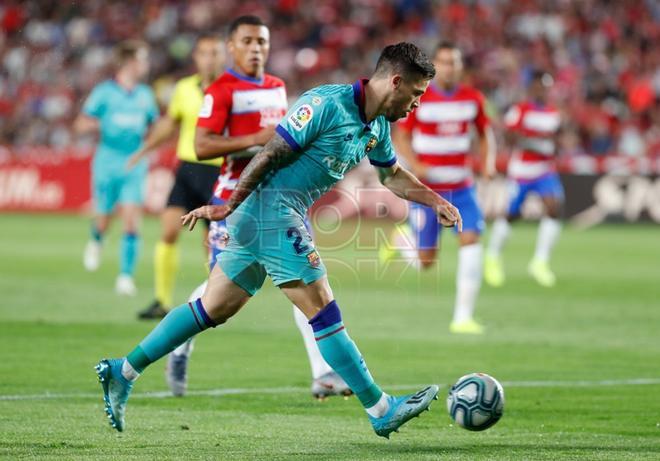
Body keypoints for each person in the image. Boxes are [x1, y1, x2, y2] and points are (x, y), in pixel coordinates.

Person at [95, 42, 461, 438]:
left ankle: (123, 370)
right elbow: (270, 152)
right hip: (272, 212)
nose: (417, 104)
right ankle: (380, 408)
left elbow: (391, 175)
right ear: (396, 81)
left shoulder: (378, 126)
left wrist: (435, 199)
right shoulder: (325, 104)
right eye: (417, 93)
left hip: (267, 217)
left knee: (213, 306)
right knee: (322, 311)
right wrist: (226, 206)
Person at [162, 16, 350, 399]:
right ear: (232, 47)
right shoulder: (221, 90)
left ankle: (323, 373)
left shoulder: (277, 88)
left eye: (262, 42)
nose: (256, 48)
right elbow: (202, 146)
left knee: (305, 281)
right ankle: (179, 345)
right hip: (234, 201)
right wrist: (256, 139)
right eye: (247, 41)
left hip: (278, 200)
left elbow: (279, 143)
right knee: (220, 291)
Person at [380, 41, 496, 334]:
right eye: (444, 61)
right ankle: (401, 241)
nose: (449, 67)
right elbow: (402, 135)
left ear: (460, 66)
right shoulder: (422, 96)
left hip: (462, 186)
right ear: (436, 64)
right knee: (426, 263)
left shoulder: (473, 98)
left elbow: (485, 135)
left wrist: (488, 163)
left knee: (471, 243)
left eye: (454, 62)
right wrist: (415, 164)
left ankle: (463, 317)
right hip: (427, 190)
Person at [127, 34, 226, 320]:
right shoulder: (184, 88)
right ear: (196, 57)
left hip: (217, 171)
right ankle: (161, 300)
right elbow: (170, 123)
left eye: (215, 53)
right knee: (168, 231)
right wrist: (143, 150)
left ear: (223, 57)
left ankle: (215, 303)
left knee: (212, 242)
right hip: (186, 169)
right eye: (204, 53)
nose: (209, 58)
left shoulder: (231, 90)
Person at [75, 40, 159, 296]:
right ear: (129, 62)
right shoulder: (104, 92)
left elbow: (154, 126)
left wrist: (149, 147)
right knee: (104, 218)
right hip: (107, 162)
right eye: (142, 59)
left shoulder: (145, 94)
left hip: (134, 163)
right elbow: (80, 124)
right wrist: (104, 125)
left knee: (132, 219)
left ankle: (125, 276)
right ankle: (97, 239)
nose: (146, 64)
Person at [485, 70, 563, 287]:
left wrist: (554, 146)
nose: (543, 90)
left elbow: (556, 141)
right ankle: (492, 256)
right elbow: (510, 136)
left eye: (546, 86)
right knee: (512, 215)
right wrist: (537, 143)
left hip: (544, 170)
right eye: (540, 85)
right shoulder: (521, 110)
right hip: (522, 172)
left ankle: (540, 262)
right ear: (532, 87)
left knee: (554, 208)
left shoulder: (553, 112)